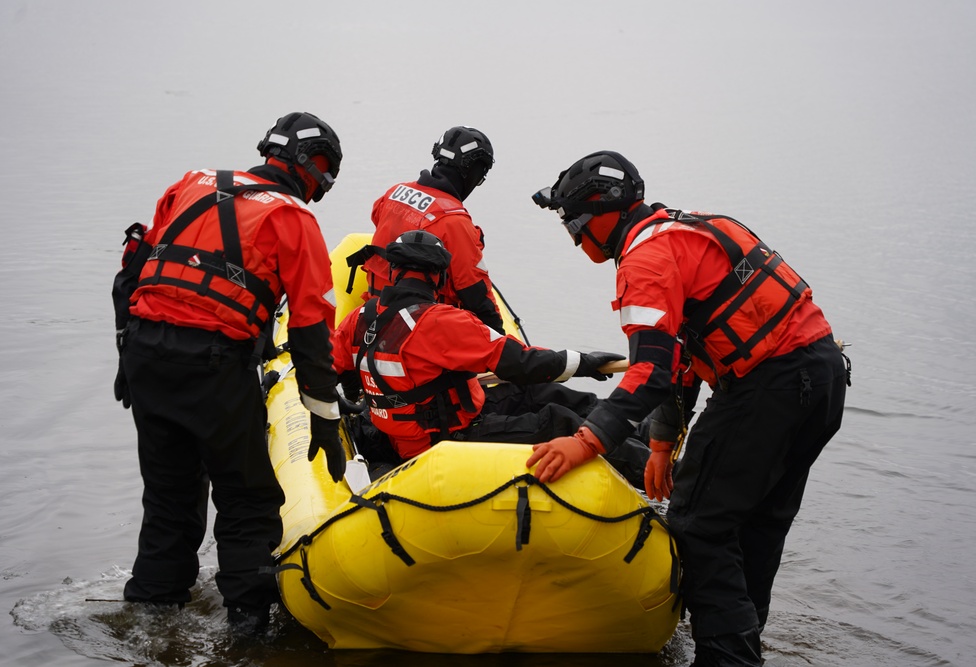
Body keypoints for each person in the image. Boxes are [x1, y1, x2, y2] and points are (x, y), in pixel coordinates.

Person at [525, 151, 849, 667]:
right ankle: (746, 645)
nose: (574, 240)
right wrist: (659, 444)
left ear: (602, 216)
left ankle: (727, 658)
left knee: (698, 525)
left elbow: (651, 370)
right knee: (758, 524)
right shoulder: (692, 228)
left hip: (768, 386)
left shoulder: (643, 261)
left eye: (574, 226)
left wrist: (585, 441)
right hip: (823, 377)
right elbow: (685, 356)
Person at [111, 111, 347, 633]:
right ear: (316, 168)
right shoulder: (295, 218)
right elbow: (311, 328)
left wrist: (125, 354)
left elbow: (134, 269)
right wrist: (325, 419)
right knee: (247, 498)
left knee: (168, 495)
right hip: (215, 365)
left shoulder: (190, 183)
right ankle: (249, 626)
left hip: (146, 355)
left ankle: (151, 613)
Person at [332, 229, 624, 461]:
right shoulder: (441, 321)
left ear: (393, 271)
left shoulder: (359, 318)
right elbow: (519, 362)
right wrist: (584, 363)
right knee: (559, 421)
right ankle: (649, 468)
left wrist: (351, 398)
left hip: (409, 432)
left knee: (539, 392)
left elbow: (334, 368)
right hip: (444, 440)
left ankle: (635, 425)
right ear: (439, 276)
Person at [351, 125, 505, 333]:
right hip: (421, 330)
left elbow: (378, 217)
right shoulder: (454, 222)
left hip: (376, 314)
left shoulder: (394, 193)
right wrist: (501, 341)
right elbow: (476, 295)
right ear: (473, 172)